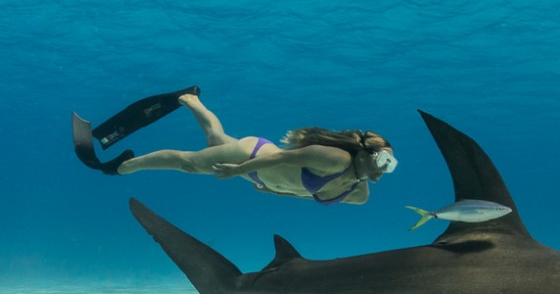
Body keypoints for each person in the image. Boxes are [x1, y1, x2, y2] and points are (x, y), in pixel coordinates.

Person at [113, 94, 397, 205]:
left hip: (259, 175)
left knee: (216, 137)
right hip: (252, 156)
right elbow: (281, 157)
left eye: (391, 166)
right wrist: (238, 169)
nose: (385, 170)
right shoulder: (335, 158)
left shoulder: (359, 194)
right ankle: (128, 166)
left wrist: (273, 190)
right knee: (190, 164)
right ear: (364, 154)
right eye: (384, 161)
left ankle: (194, 102)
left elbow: (305, 193)